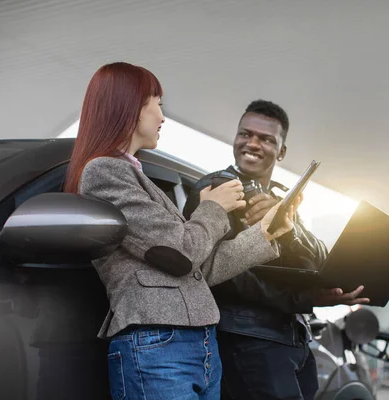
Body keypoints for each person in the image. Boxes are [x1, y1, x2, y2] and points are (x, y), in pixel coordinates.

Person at [64, 63, 298, 400]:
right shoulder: (105, 171)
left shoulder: (137, 177)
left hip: (195, 344)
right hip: (157, 342)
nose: (162, 115)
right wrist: (213, 208)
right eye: (156, 102)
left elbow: (197, 269)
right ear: (129, 107)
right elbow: (181, 251)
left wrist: (264, 233)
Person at [183, 99, 370, 400]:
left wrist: (289, 227)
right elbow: (219, 274)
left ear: (281, 151)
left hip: (294, 339)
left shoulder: (283, 199)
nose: (252, 143)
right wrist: (304, 298)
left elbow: (317, 260)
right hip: (245, 339)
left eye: (266, 139)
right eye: (245, 134)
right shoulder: (215, 189)